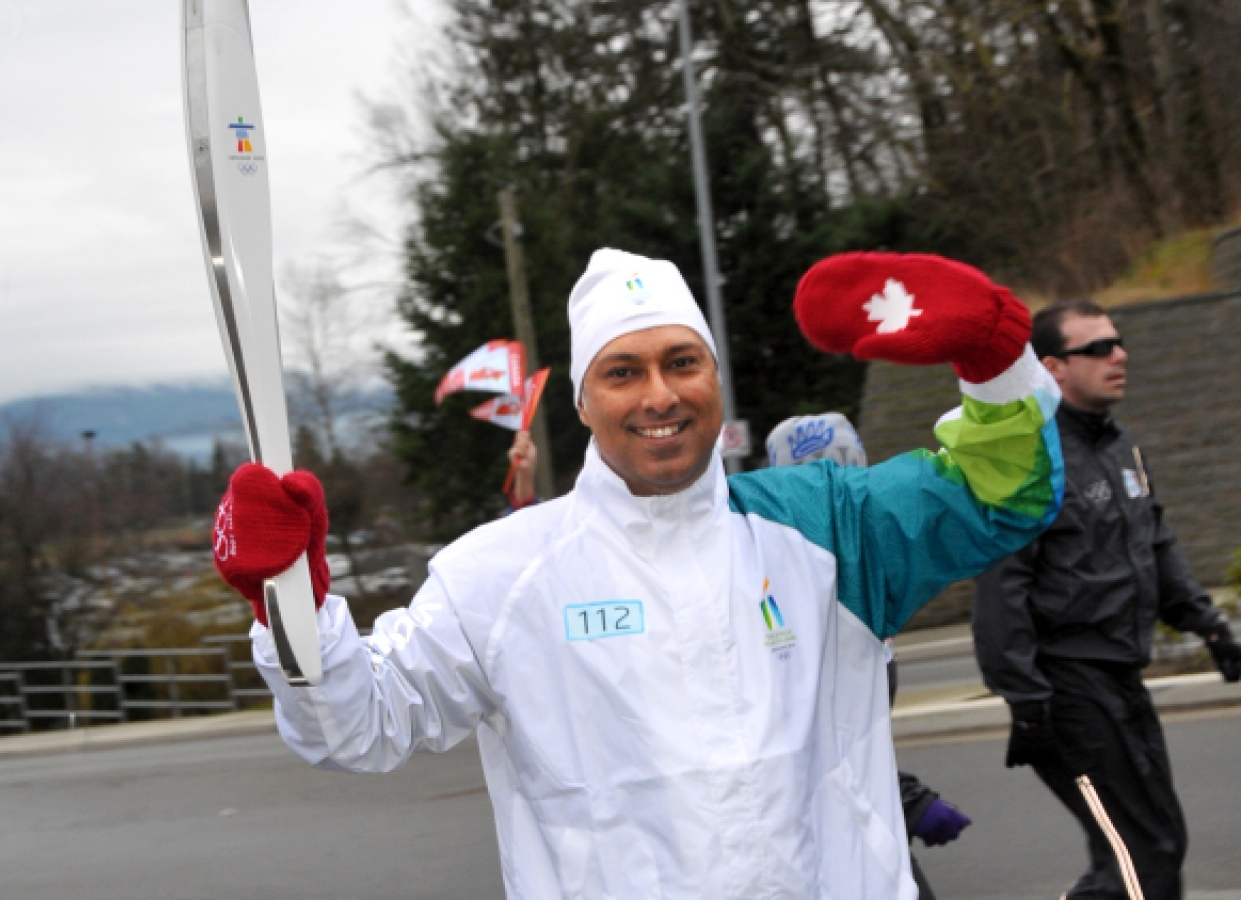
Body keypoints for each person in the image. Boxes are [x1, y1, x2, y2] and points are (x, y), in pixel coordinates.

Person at [215, 248, 1063, 898]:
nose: (659, 395)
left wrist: (996, 363)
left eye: (681, 362)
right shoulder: (500, 575)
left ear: (714, 378)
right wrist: (292, 604)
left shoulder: (828, 526)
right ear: (583, 402)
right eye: (623, 372)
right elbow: (355, 727)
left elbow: (999, 495)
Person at [972, 298, 1241, 900]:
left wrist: (1210, 627)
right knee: (1141, 857)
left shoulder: (1122, 447)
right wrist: (1027, 702)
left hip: (1121, 676)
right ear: (1054, 367)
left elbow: (1157, 539)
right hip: (1068, 687)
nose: (1118, 355)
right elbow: (1002, 584)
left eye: (1117, 343)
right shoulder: (1030, 457)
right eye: (1096, 348)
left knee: (1156, 844)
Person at [766, 414, 972, 900]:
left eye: (846, 473)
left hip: (861, 825)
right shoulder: (770, 590)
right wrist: (911, 801)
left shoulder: (863, 576)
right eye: (810, 478)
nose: (832, 496)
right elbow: (806, 746)